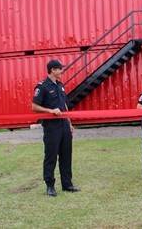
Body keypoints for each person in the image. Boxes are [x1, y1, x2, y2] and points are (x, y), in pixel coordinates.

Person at [32, 60, 79, 196]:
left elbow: (64, 106)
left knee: (66, 155)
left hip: (64, 125)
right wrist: (50, 111)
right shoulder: (42, 86)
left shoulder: (60, 85)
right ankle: (50, 186)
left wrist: (69, 123)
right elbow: (34, 107)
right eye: (60, 69)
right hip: (52, 127)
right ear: (53, 70)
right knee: (51, 156)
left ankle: (67, 184)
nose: (62, 71)